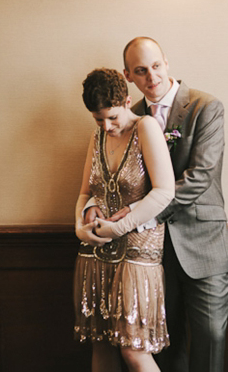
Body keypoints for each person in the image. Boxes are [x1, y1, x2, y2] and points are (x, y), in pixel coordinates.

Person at [85, 37, 228, 372]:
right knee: (164, 344)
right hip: (148, 254)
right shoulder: (127, 116)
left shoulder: (204, 107)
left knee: (210, 339)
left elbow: (201, 176)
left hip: (202, 247)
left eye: (155, 66)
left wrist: (140, 217)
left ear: (166, 62)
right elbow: (112, 177)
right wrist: (92, 207)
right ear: (128, 76)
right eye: (140, 70)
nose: (151, 76)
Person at [73, 68, 175, 372]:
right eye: (98, 119)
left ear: (128, 101)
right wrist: (80, 228)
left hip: (138, 251)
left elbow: (164, 191)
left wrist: (118, 227)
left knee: (134, 349)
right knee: (101, 343)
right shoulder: (97, 136)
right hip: (96, 250)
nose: (107, 126)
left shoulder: (146, 127)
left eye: (113, 117)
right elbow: (84, 193)